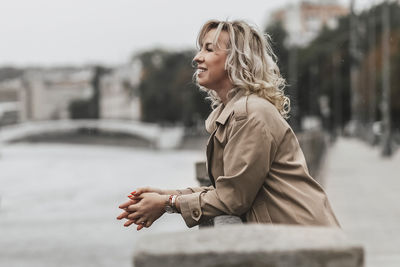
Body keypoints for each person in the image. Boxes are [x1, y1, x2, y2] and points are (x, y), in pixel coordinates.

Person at [117, 19, 340, 231]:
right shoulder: (237, 111)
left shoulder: (249, 114)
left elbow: (233, 199)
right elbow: (230, 188)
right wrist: (167, 195)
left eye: (209, 49)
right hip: (298, 234)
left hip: (306, 241)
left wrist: (168, 203)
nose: (197, 57)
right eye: (200, 49)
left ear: (235, 60)